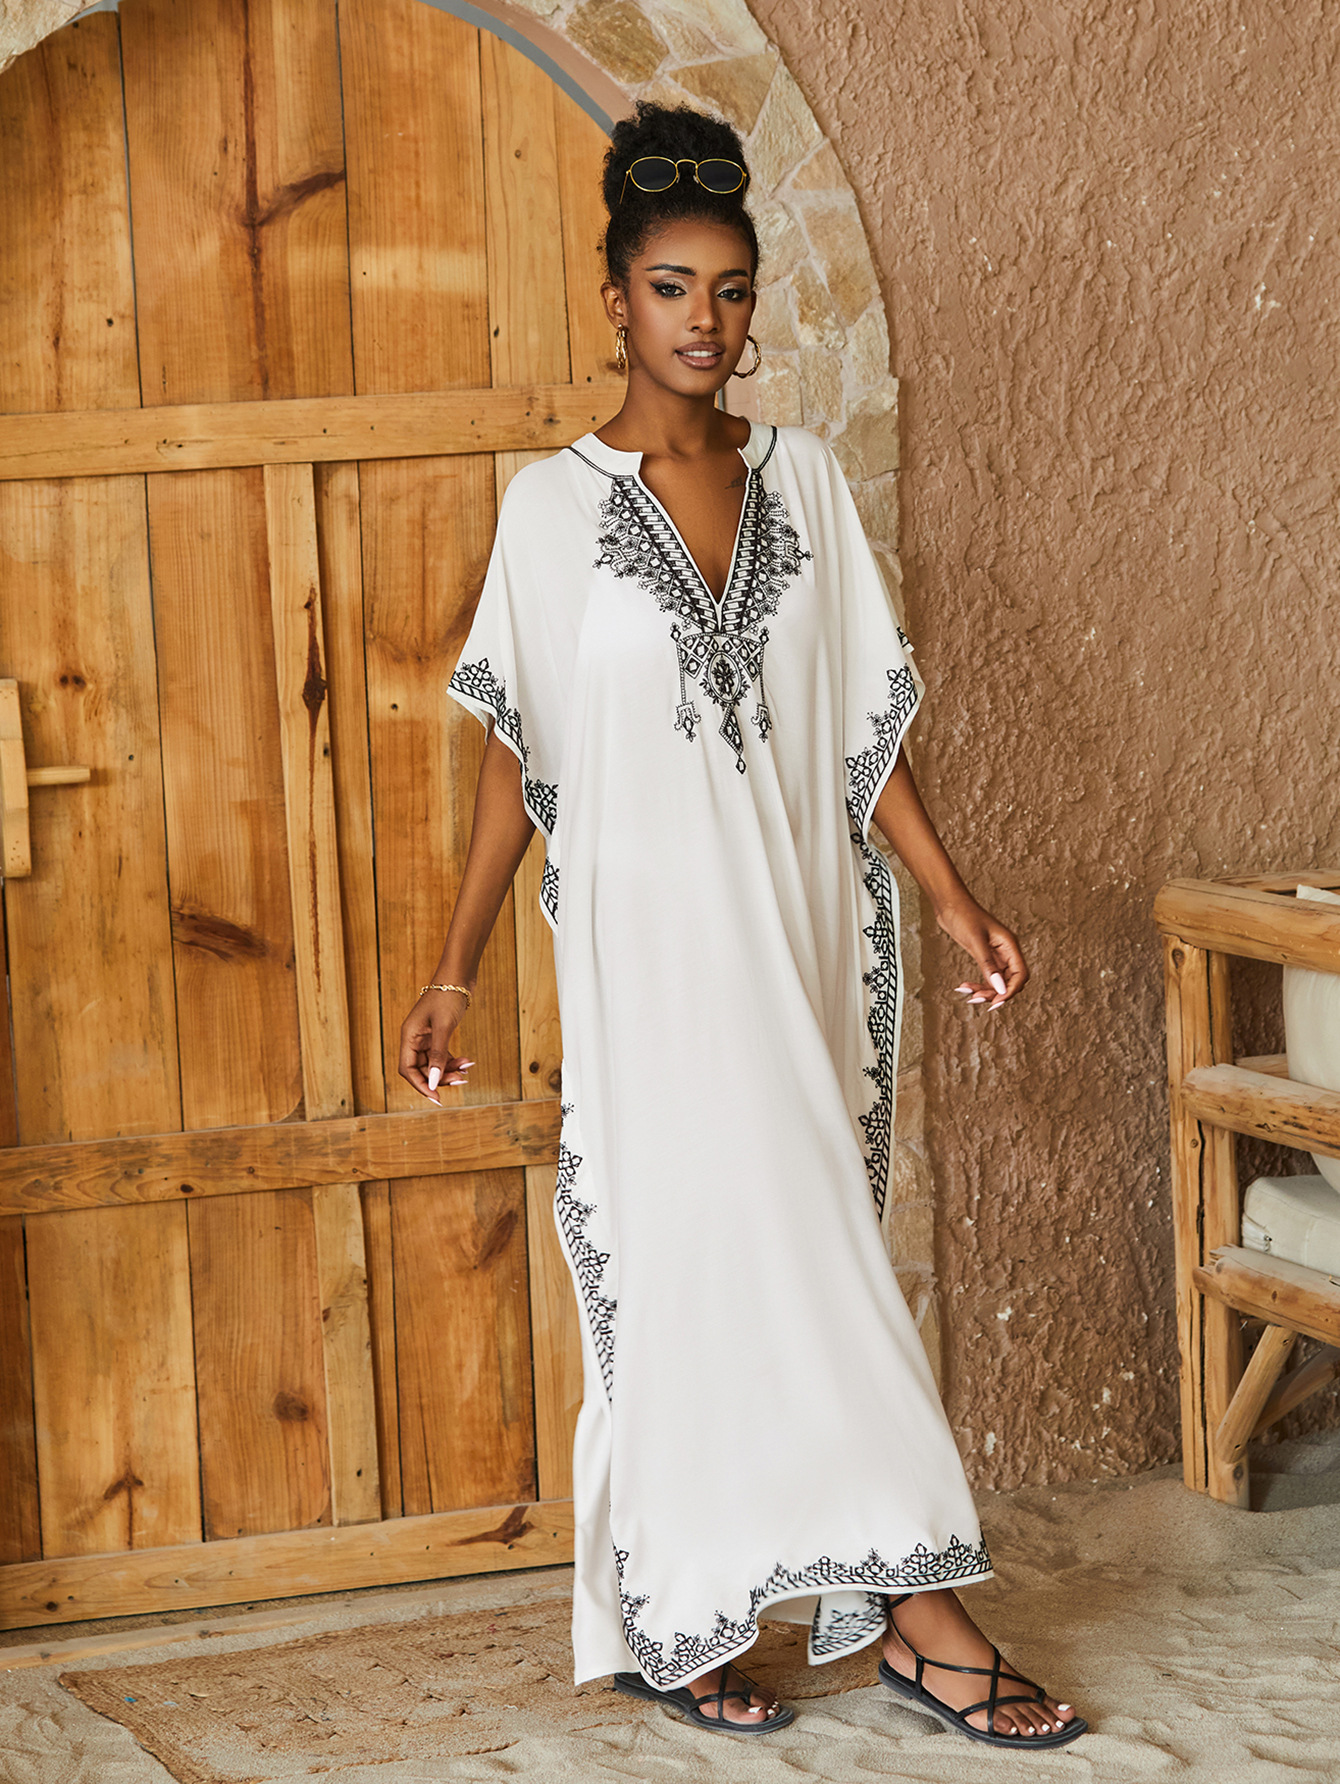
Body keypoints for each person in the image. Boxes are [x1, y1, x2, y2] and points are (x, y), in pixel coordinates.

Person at [399, 101, 1086, 1749]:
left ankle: (899, 1613)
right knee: (678, 1269)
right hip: (646, 965)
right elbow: (516, 760)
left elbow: (862, 731)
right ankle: (699, 1611)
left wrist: (952, 895)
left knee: (813, 1255)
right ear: (615, 300)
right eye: (670, 287)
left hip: (791, 946)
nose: (702, 320)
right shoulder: (549, 510)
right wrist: (453, 965)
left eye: (729, 290)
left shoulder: (809, 485)